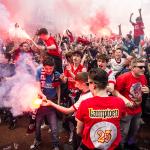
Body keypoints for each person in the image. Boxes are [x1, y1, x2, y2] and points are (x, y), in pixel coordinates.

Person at [76, 68, 126, 150]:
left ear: (93, 85)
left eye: (88, 83)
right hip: (113, 145)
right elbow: (122, 117)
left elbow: (78, 131)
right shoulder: (120, 102)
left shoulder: (85, 104)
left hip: (91, 146)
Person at [42, 72, 93, 150]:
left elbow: (68, 111)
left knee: (78, 144)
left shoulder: (86, 97)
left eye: (77, 83)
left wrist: (51, 103)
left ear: (83, 84)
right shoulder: (90, 92)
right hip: (85, 125)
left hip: (83, 127)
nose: (75, 85)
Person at [115, 57, 149, 150]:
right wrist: (125, 101)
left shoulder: (143, 77)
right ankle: (121, 147)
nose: (143, 69)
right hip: (126, 111)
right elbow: (115, 92)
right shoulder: (123, 77)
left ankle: (130, 145)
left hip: (138, 110)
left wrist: (148, 90)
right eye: (140, 67)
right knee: (124, 132)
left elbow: (143, 89)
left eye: (144, 67)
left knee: (134, 130)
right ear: (132, 67)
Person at [30, 56, 60, 150]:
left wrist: (58, 100)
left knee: (54, 127)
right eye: (46, 68)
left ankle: (55, 145)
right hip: (40, 104)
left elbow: (58, 88)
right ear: (43, 67)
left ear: (54, 67)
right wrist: (42, 96)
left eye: (50, 68)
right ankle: (37, 140)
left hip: (51, 104)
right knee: (37, 125)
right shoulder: (39, 72)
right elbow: (37, 88)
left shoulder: (57, 74)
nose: (48, 70)